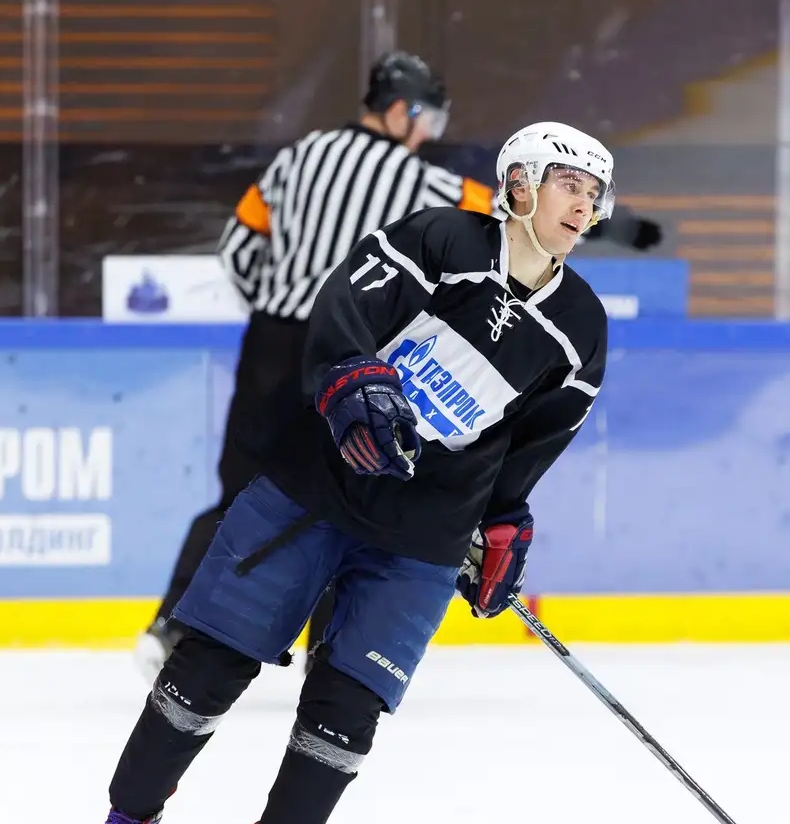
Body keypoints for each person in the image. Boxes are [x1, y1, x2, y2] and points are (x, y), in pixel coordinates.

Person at [61, 121, 618, 824]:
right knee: (204, 667)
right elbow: (342, 312)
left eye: (593, 192)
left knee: (345, 717)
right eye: (568, 183)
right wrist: (352, 376)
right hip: (315, 485)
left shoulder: (581, 324)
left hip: (422, 534)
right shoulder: (441, 240)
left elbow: (533, 443)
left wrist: (503, 523)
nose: (582, 203)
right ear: (519, 184)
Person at [138, 54, 662, 680]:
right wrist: (629, 230)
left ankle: (176, 627)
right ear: (398, 112)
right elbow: (511, 218)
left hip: (273, 344)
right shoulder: (422, 182)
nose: (427, 134)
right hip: (365, 344)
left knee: (254, 488)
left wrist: (277, 306)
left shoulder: (299, 156)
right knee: (356, 486)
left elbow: (239, 246)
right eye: (426, 120)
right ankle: (330, 656)